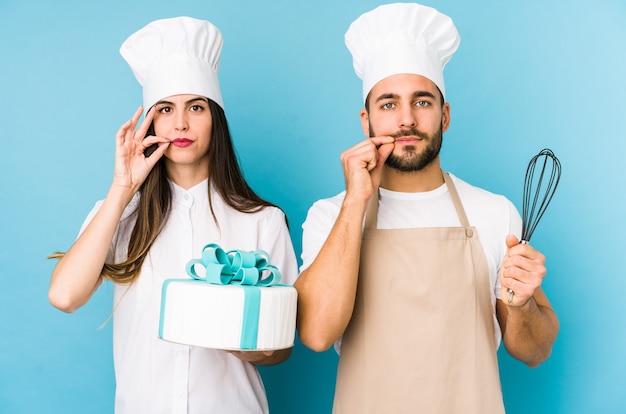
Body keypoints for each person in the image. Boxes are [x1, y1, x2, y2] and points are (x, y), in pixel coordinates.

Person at [294, 3, 559, 413]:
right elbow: (315, 333)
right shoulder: (331, 216)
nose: (406, 119)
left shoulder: (494, 212)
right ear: (366, 121)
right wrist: (356, 201)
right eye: (388, 104)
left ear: (444, 115)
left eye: (421, 102)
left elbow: (534, 351)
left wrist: (522, 303)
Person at [48, 16, 298, 414]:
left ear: (215, 118)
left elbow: (280, 348)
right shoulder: (117, 215)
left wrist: (240, 339)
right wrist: (121, 188)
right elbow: (64, 296)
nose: (180, 122)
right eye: (165, 109)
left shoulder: (262, 220)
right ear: (151, 121)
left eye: (195, 107)